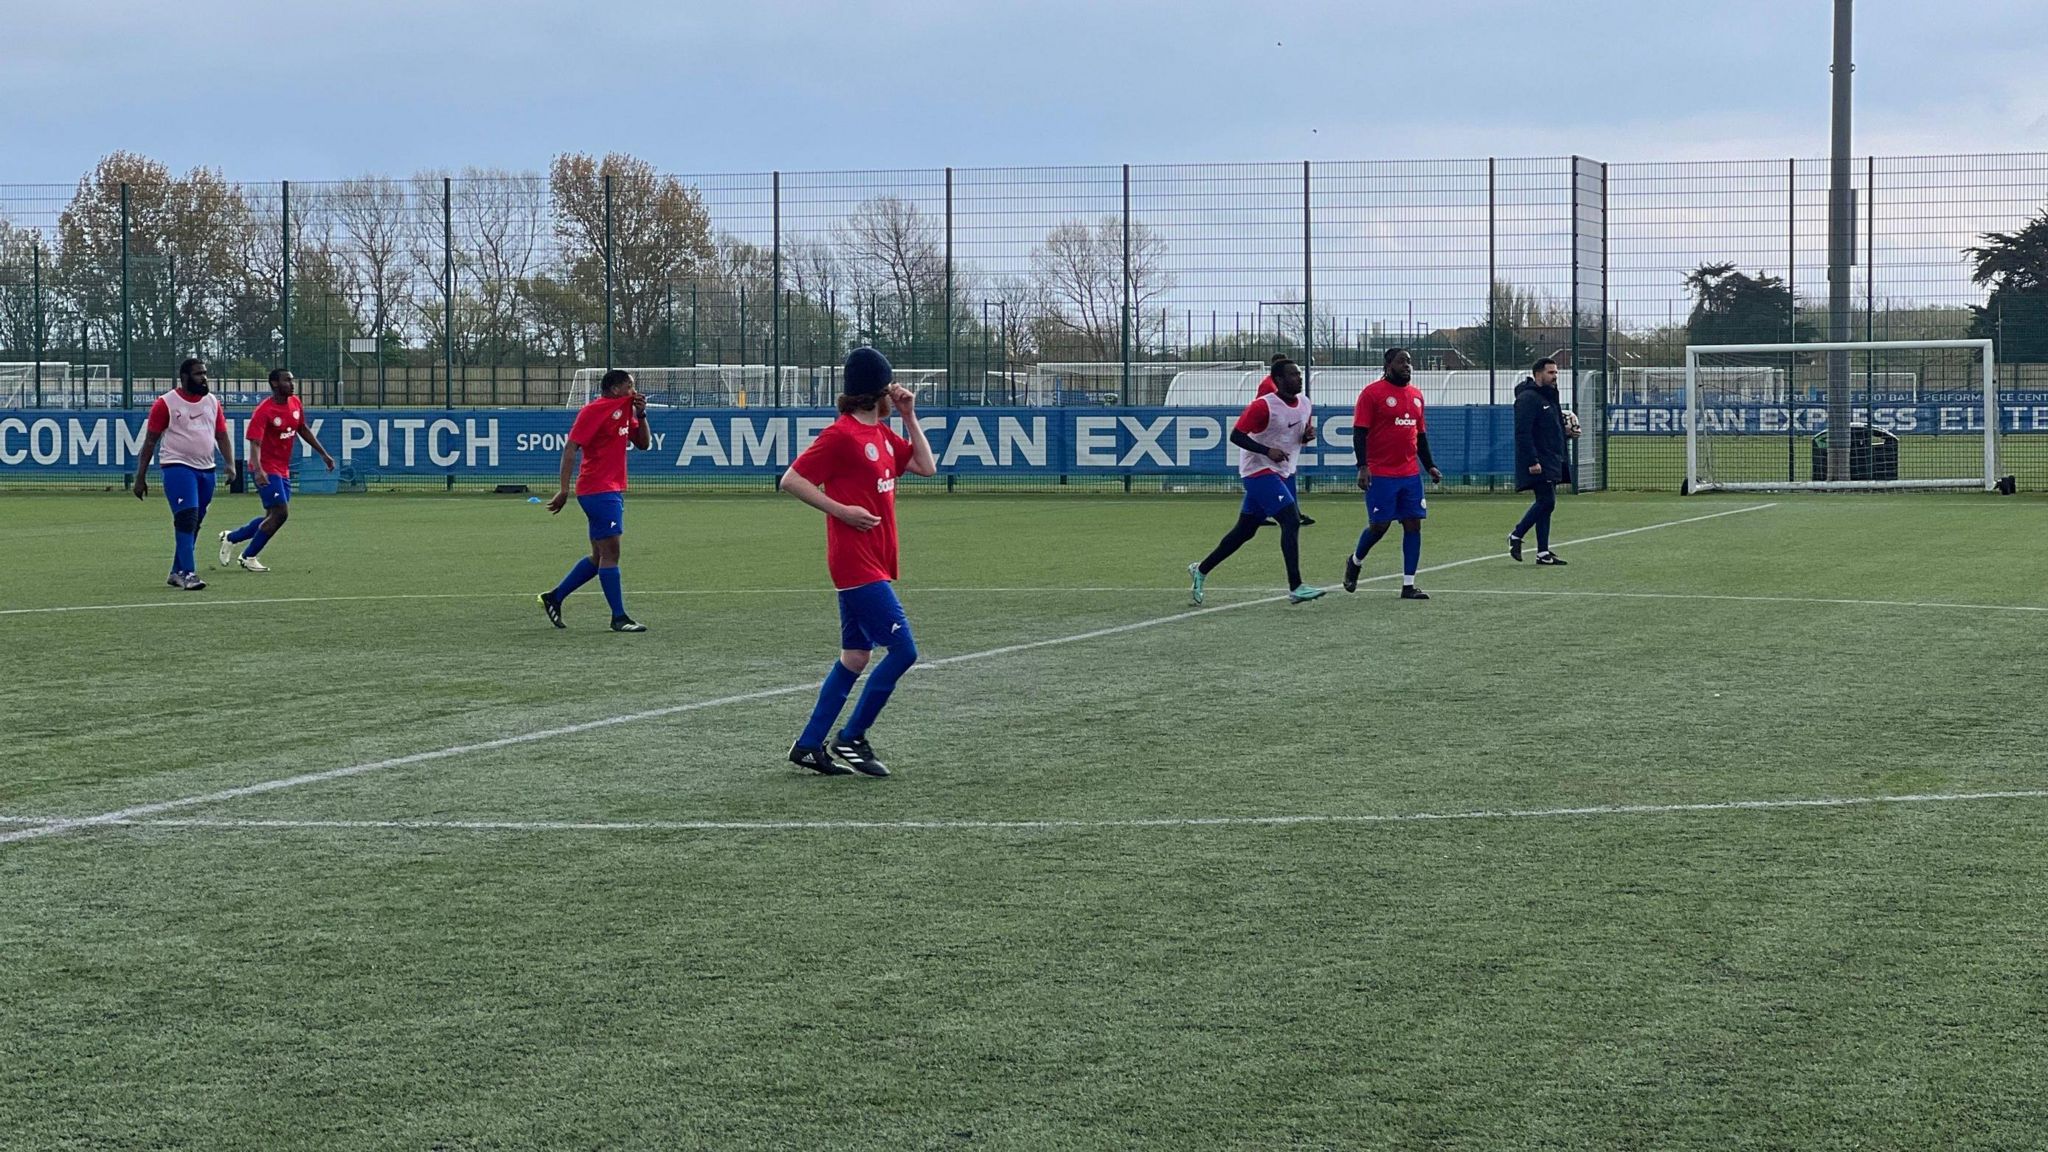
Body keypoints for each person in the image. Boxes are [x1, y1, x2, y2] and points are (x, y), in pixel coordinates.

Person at [780, 347, 938, 778]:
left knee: (855, 656)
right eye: (890, 387)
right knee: (904, 650)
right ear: (874, 392)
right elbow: (791, 479)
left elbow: (927, 466)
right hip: (855, 562)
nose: (896, 392)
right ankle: (851, 737)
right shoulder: (842, 435)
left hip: (875, 560)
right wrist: (841, 510)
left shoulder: (883, 435)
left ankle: (810, 744)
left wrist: (908, 415)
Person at [1188, 357, 1325, 606]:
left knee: (1244, 531)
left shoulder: (1305, 403)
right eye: (1293, 375)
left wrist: (1306, 436)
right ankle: (1296, 587)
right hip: (1258, 470)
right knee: (1291, 520)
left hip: (1283, 471)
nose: (1299, 378)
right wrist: (1266, 451)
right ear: (1279, 380)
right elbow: (1236, 435)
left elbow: (1295, 437)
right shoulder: (1263, 406)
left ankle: (1201, 569)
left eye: (1299, 374)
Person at [538, 369, 650, 632]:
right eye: (630, 387)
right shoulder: (593, 411)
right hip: (597, 489)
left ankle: (554, 597)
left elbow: (643, 444)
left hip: (609, 490)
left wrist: (641, 415)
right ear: (615, 389)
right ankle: (619, 618)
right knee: (612, 554)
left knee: (599, 556)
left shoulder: (625, 410)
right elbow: (571, 447)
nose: (634, 391)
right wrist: (563, 489)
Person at [1343, 347, 1442, 599]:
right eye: (1402, 362)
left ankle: (1408, 585)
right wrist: (1362, 466)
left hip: (1409, 473)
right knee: (1379, 526)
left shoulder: (1416, 396)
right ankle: (1355, 561)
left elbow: (1420, 436)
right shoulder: (1372, 394)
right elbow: (1360, 432)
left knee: (1413, 524)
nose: (1407, 366)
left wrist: (1429, 465)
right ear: (1388, 365)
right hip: (1380, 473)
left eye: (1409, 362)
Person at [132, 358, 237, 591]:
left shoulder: (211, 402)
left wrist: (230, 463)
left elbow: (221, 435)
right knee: (187, 519)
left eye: (205, 373)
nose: (204, 378)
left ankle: (176, 572)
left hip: (206, 470)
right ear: (185, 377)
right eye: (199, 374)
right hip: (177, 466)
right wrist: (140, 477)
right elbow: (150, 441)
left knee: (194, 523)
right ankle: (189, 574)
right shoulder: (165, 403)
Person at [218, 369, 336, 572]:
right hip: (265, 467)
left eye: (292, 380)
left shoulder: (295, 403)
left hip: (282, 468)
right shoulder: (264, 410)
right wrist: (258, 470)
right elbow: (254, 443)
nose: (292, 384)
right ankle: (248, 556)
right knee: (281, 513)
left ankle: (231, 538)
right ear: (274, 384)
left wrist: (323, 454)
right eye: (287, 380)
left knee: (272, 515)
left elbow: (303, 429)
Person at [1509, 357, 1574, 565]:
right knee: (1547, 501)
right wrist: (1532, 460)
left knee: (1545, 504)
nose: (1555, 377)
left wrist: (1567, 433)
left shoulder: (1549, 396)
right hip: (1540, 459)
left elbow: (1549, 428)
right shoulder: (1528, 398)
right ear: (1538, 374)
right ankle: (1516, 535)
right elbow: (1523, 432)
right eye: (1551, 373)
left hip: (1552, 456)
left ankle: (1543, 552)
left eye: (1556, 373)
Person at [1254, 354, 1315, 526]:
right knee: (1282, 473)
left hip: (1284, 436)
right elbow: (1265, 409)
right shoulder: (1268, 385)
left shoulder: (1293, 394)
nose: (1296, 378)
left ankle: (1262, 513)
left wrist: (1303, 430)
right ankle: (1293, 512)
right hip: (1273, 439)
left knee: (1276, 474)